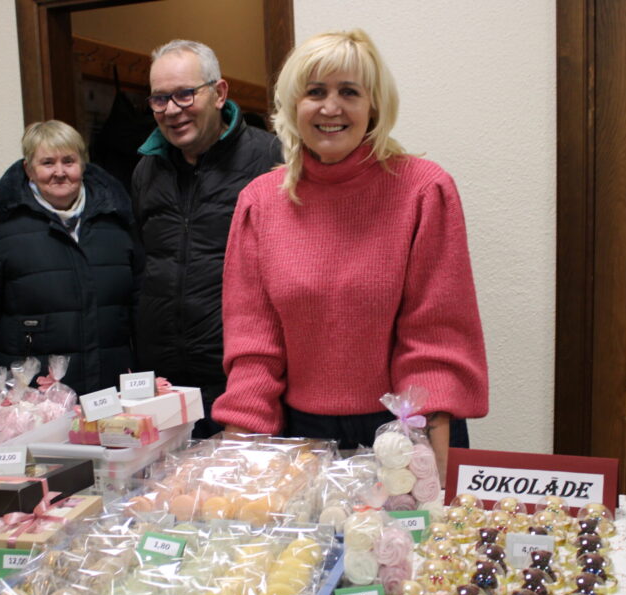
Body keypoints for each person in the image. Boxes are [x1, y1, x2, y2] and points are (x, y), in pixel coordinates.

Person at [212, 29, 489, 475]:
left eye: (349, 92)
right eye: (315, 92)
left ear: (373, 105)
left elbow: (435, 337)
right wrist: (236, 463)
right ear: (291, 105)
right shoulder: (259, 203)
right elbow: (254, 346)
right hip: (299, 435)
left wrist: (429, 472)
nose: (331, 107)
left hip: (408, 428)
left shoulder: (423, 190)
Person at [132, 39, 282, 438]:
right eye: (160, 99)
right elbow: (143, 266)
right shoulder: (146, 171)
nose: (172, 110)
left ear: (219, 93)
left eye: (184, 94)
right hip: (167, 387)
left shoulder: (272, 161)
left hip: (243, 381)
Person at [0, 120, 141, 397]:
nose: (60, 172)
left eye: (69, 161)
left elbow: (140, 302)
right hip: (32, 393)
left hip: (110, 385)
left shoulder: (116, 220)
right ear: (29, 169)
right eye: (47, 163)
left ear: (83, 165)